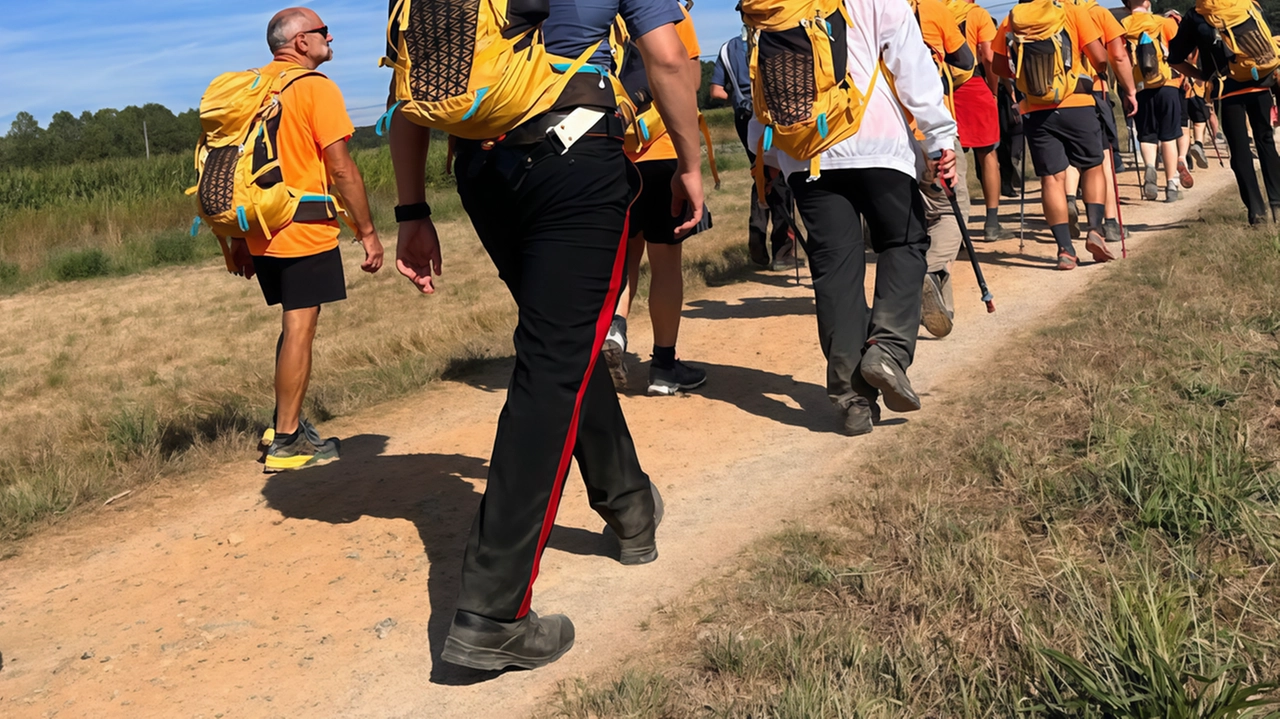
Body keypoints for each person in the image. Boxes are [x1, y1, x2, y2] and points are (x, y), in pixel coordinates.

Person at [389, 0, 704, 670]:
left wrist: (412, 207)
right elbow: (669, 57)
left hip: (483, 171)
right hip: (576, 154)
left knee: (565, 343)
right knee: (553, 361)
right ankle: (493, 610)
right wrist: (692, 163)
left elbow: (409, 87)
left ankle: (630, 506)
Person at [763, 0, 957, 436]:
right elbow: (911, 64)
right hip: (878, 142)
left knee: (836, 271)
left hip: (806, 153)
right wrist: (939, 138)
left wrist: (770, 149)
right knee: (903, 243)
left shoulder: (776, 3)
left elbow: (764, 82)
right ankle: (887, 350)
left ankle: (853, 401)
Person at [227, 7, 383, 472]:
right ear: (300, 43)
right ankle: (288, 443)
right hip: (302, 226)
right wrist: (368, 232)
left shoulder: (253, 89)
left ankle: (283, 422)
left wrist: (236, 237)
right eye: (322, 32)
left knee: (292, 323)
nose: (329, 38)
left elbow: (233, 167)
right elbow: (340, 167)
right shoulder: (315, 88)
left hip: (259, 228)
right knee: (301, 326)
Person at [605, 1, 709, 396]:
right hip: (664, 152)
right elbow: (690, 78)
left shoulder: (604, 15)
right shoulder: (673, 12)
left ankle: (614, 331)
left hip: (614, 154)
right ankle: (664, 368)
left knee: (622, 258)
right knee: (665, 262)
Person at [993, 0, 1137, 270]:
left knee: (1051, 179)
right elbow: (1100, 57)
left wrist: (1026, 76)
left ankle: (1065, 251)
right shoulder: (1072, 11)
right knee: (1092, 165)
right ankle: (1095, 229)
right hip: (1077, 103)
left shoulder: (1012, 19)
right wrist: (1099, 72)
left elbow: (999, 67)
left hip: (1036, 111)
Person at [1170, 3, 1280, 224]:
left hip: (1226, 88)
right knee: (1266, 141)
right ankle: (1278, 204)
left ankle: (1256, 213)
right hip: (1260, 84)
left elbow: (1174, 59)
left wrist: (1203, 75)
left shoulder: (1196, 14)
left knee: (1239, 150)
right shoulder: (1247, 4)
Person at [710, 23, 803, 270]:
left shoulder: (726, 48)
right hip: (772, 115)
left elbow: (716, 91)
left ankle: (757, 240)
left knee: (760, 175)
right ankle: (783, 252)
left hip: (744, 118)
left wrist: (739, 99)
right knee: (782, 177)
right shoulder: (775, 38)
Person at [912, 0, 975, 339]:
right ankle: (928, 273)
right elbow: (966, 60)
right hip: (932, 132)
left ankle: (943, 306)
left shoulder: (860, 12)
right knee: (952, 213)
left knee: (923, 220)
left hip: (889, 139)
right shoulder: (933, 10)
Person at [1063, 0, 1128, 244]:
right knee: (1102, 157)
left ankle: (1069, 198)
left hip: (1055, 98)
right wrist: (1129, 91)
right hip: (1093, 91)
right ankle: (1110, 223)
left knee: (1070, 156)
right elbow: (1117, 56)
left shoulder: (1050, 13)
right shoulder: (1098, 13)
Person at [948, 0, 1006, 240]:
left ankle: (954, 226)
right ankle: (992, 222)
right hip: (974, 85)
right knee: (988, 155)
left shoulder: (935, 12)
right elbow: (989, 56)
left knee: (952, 160)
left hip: (945, 91)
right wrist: (993, 90)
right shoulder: (977, 15)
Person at [1122, 0, 1186, 203]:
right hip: (1167, 83)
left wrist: (1127, 90)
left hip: (1140, 87)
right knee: (1168, 137)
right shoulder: (1164, 22)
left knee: (1147, 135)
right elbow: (1178, 54)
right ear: (1148, 2)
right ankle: (1171, 185)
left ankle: (1150, 167)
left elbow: (1120, 59)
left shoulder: (1122, 25)